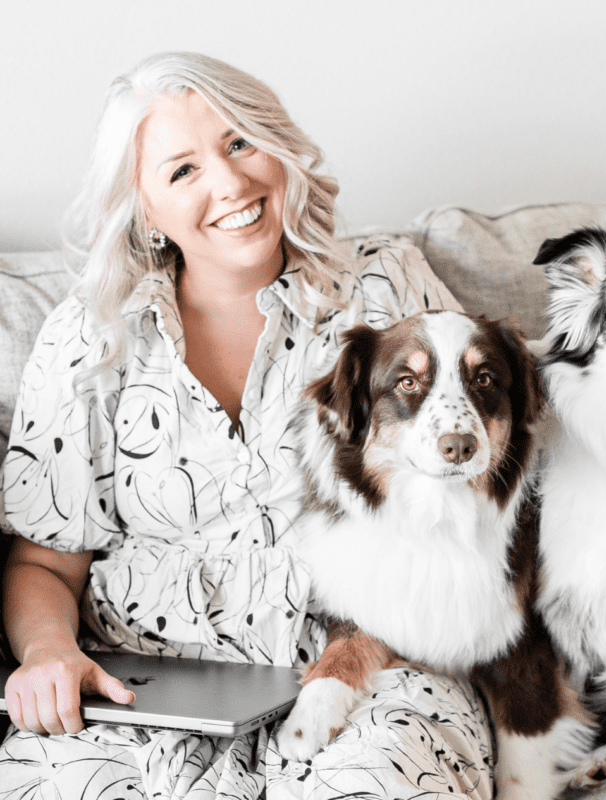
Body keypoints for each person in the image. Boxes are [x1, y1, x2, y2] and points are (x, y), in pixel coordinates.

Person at [0, 52, 493, 799]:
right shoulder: (88, 338)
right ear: (143, 206)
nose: (230, 185)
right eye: (182, 170)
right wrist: (46, 652)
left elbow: (491, 482)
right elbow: (45, 562)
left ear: (277, 143)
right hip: (143, 695)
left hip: (369, 672)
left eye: (239, 142)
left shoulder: (385, 287)